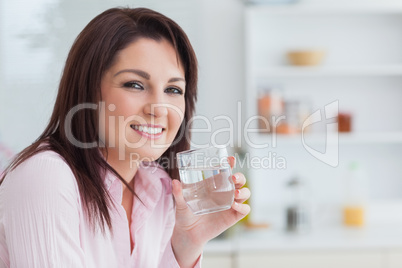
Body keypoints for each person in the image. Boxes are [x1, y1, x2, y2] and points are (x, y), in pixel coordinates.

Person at [0, 7, 250, 268]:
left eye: (173, 89)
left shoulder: (161, 188)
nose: (159, 108)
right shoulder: (46, 178)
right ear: (89, 91)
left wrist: (185, 245)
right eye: (135, 85)